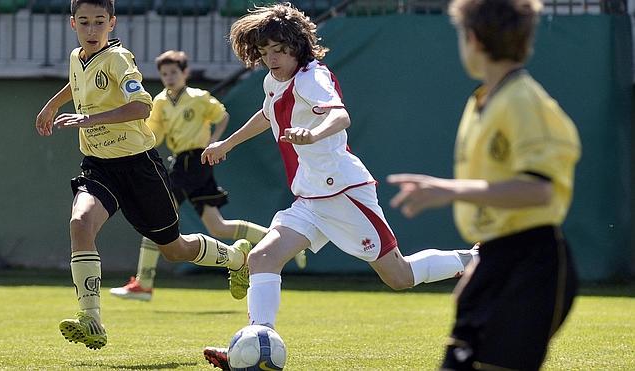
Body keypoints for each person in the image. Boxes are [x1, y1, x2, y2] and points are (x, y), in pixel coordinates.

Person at [200, 3, 478, 368]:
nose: (271, 58)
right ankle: (254, 345)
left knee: (400, 276)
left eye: (279, 50)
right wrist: (227, 143)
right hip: (309, 198)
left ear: (297, 46)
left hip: (343, 193)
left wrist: (312, 132)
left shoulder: (313, 78)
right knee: (262, 257)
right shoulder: (275, 80)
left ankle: (475, 260)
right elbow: (267, 112)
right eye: (265, 52)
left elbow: (340, 114)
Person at [35, 0, 253, 350]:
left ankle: (238, 258)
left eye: (99, 22)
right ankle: (91, 319)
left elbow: (142, 106)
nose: (92, 30)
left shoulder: (120, 58)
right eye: (85, 22)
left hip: (139, 166)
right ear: (72, 23)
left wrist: (87, 119)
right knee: (80, 223)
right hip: (98, 166)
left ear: (112, 23)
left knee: (175, 249)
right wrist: (53, 103)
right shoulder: (78, 57)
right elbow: (79, 83)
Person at [388, 0, 581, 369]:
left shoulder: (525, 102)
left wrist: (447, 191)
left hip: (533, 263)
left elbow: (539, 190)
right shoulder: (483, 100)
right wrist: (484, 259)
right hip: (495, 258)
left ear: (472, 39)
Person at [109, 50, 306, 302]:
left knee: (155, 216)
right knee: (218, 226)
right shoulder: (158, 102)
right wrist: (132, 137)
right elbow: (153, 135)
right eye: (164, 73)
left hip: (195, 161)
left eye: (174, 72)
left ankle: (144, 284)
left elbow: (222, 115)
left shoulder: (198, 97)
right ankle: (287, 242)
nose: (169, 77)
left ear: (185, 73)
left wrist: (215, 141)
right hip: (183, 161)